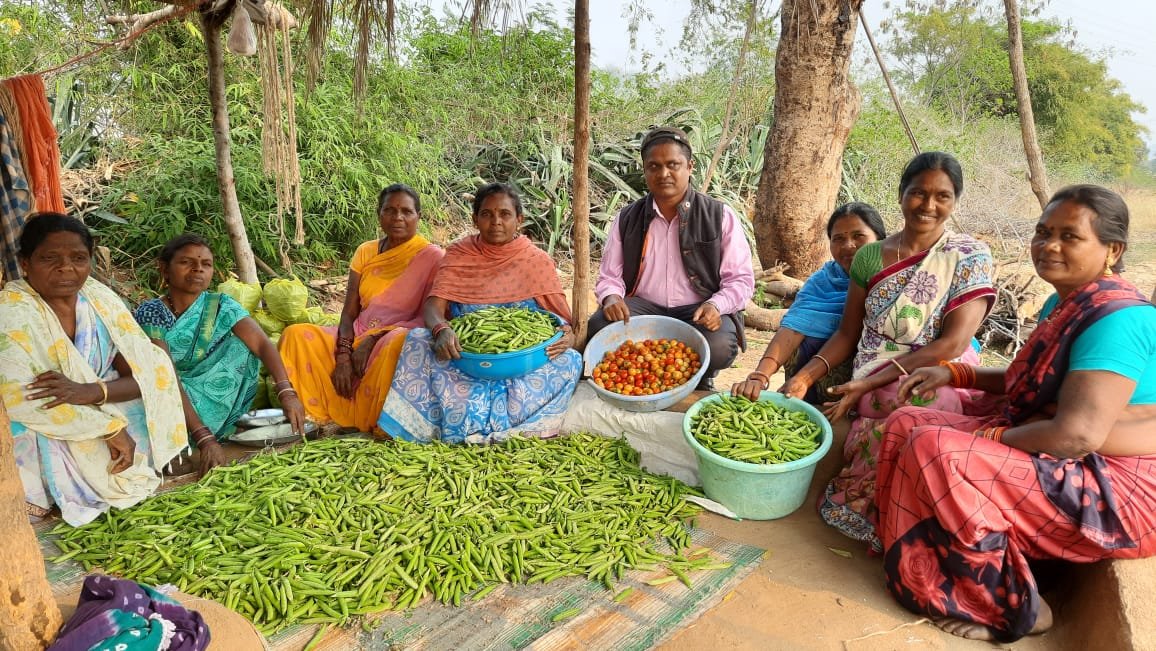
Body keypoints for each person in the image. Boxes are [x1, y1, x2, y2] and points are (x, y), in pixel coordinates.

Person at [874, 185, 1156, 642]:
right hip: (1064, 453)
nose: (1049, 246)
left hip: (1116, 485)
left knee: (942, 452)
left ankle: (1014, 606)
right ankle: (925, 562)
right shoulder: (1063, 302)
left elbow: (1075, 435)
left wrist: (985, 440)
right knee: (908, 422)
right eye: (1043, 233)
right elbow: (1033, 379)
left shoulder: (1119, 318)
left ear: (1113, 249)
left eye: (1069, 236)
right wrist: (956, 374)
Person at [780, 152, 996, 550]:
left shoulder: (968, 256)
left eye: (942, 196)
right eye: (918, 193)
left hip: (940, 365)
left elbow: (953, 343)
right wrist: (805, 376)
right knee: (892, 399)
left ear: (955, 201)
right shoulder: (869, 256)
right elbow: (849, 333)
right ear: (901, 195)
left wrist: (869, 383)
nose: (928, 205)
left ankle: (918, 514)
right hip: (877, 365)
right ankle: (892, 509)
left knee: (932, 398)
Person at [0, 213, 188, 526]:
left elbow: (149, 374)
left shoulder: (99, 300)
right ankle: (42, 495)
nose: (66, 269)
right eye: (50, 258)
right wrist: (107, 428)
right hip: (44, 416)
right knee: (22, 421)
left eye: (78, 258)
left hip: (94, 405)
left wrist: (90, 392)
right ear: (24, 262)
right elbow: (21, 397)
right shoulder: (10, 312)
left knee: (156, 366)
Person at [377, 182, 582, 444]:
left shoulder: (536, 259)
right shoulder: (460, 254)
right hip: (466, 356)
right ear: (475, 219)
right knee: (416, 340)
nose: (496, 221)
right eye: (486, 214)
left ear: (519, 219)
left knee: (572, 360)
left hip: (521, 361)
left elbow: (559, 316)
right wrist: (441, 329)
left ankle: (524, 428)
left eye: (505, 214)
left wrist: (566, 335)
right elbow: (433, 306)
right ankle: (424, 427)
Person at [587, 126, 755, 390]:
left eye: (672, 164)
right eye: (654, 166)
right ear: (645, 170)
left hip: (698, 309)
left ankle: (702, 376)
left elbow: (741, 281)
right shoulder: (627, 218)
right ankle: (643, 374)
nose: (663, 173)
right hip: (644, 308)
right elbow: (611, 275)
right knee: (598, 325)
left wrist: (717, 306)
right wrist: (611, 297)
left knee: (719, 346)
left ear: (689, 166)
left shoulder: (719, 215)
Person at [279, 184, 444, 433]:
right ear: (379, 214)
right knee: (296, 335)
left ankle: (372, 420)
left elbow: (427, 316)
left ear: (418, 217)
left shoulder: (433, 257)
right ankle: (319, 418)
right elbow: (348, 313)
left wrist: (372, 340)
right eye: (389, 210)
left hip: (395, 334)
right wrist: (344, 353)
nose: (398, 217)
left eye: (406, 211)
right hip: (356, 330)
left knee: (396, 343)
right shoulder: (366, 251)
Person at [134, 234, 305, 447]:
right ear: (164, 268)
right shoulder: (151, 312)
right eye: (186, 262)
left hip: (210, 389)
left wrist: (286, 392)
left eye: (206, 264)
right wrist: (203, 437)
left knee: (242, 346)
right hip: (164, 392)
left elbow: (262, 344)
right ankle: (194, 434)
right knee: (159, 382)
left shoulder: (221, 305)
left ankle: (217, 426)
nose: (198, 269)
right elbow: (164, 374)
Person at [732, 203, 886, 404]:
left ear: (880, 239)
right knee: (801, 343)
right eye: (838, 238)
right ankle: (804, 405)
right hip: (811, 378)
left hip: (872, 377)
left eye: (858, 236)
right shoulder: (823, 280)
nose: (848, 245)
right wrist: (760, 376)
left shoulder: (890, 281)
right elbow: (792, 328)